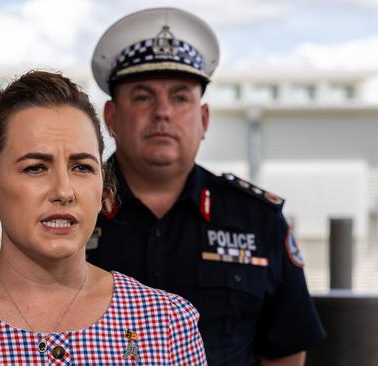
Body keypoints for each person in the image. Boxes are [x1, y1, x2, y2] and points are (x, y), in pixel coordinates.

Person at [0, 70, 207, 365]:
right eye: (35, 168)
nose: (63, 190)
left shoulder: (166, 324)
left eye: (81, 167)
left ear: (105, 189)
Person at [86, 8, 326, 366]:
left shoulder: (258, 221)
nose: (163, 112)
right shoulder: (70, 209)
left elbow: (284, 355)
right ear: (111, 117)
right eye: (142, 96)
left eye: (181, 97)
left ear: (204, 119)